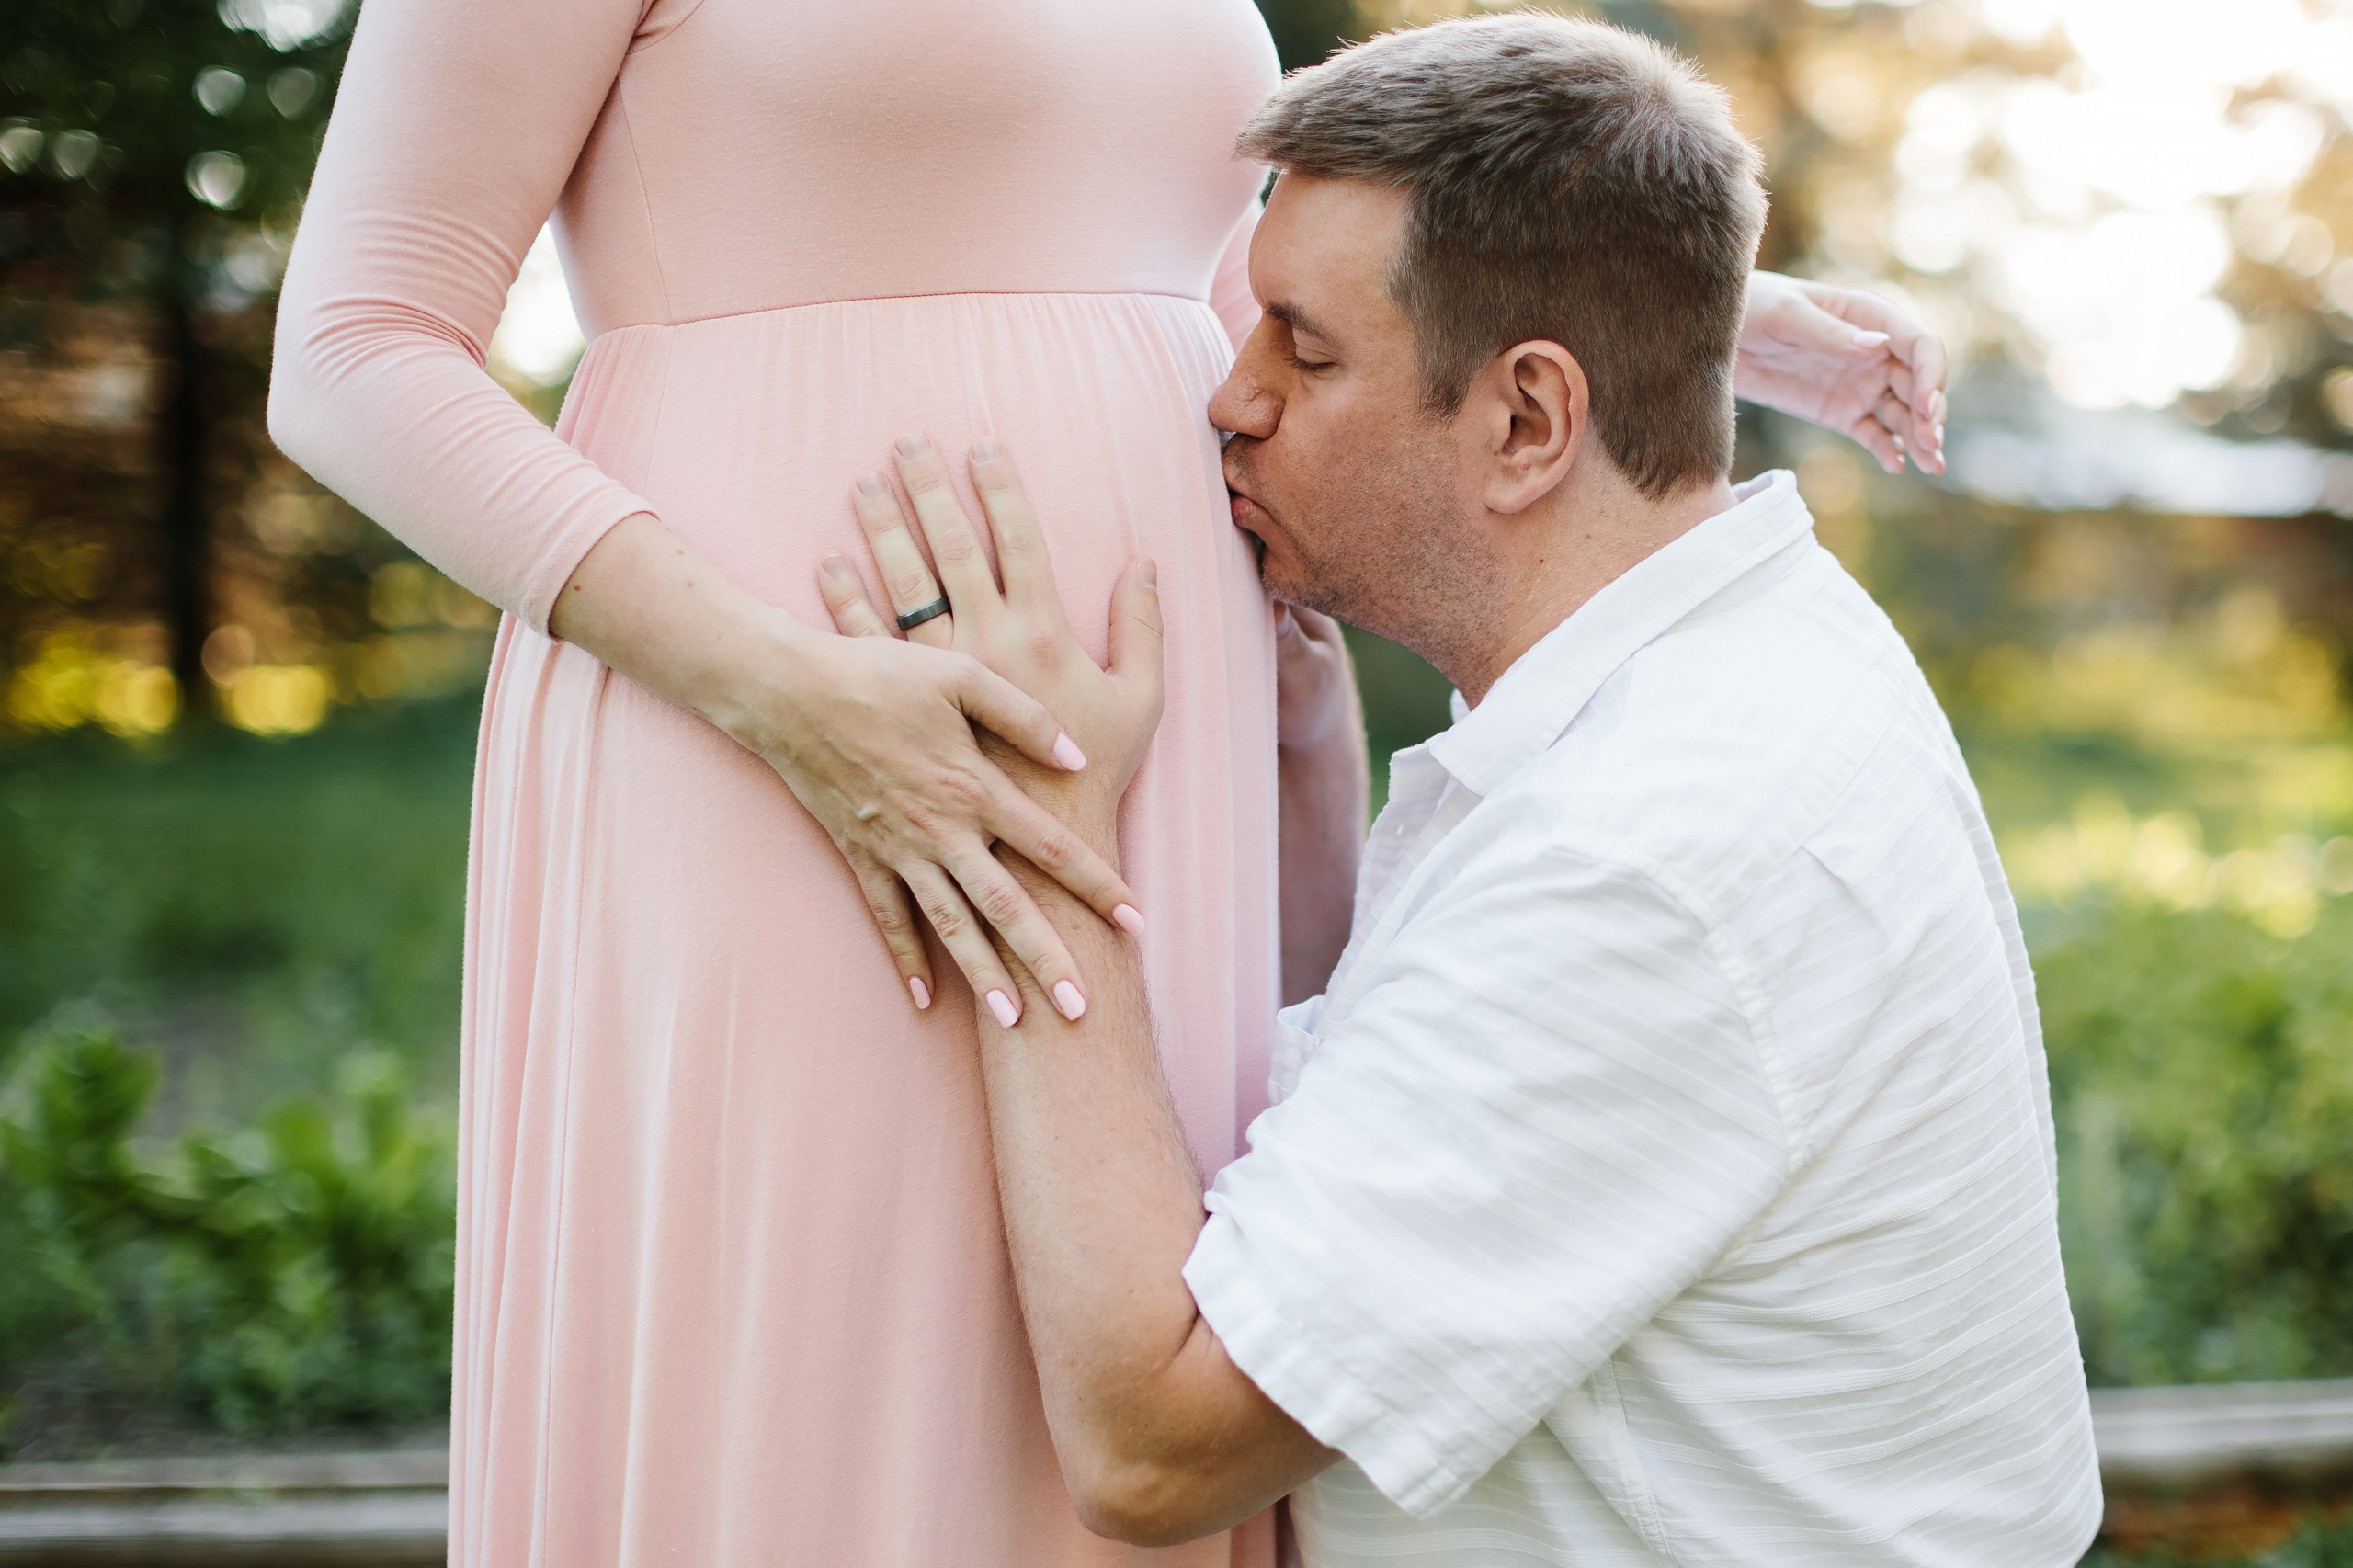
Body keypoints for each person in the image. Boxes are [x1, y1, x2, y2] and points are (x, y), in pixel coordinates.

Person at [267, 1, 1950, 1562]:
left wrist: (1682, 315)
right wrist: (790, 697)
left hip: (1154, 763)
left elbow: (1181, 259)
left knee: (1139, 1326)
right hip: (785, 725)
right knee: (836, 1347)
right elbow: (353, 345)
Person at [816, 15, 2100, 1567]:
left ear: (1527, 422)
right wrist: (1303, 746)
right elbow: (1389, 1093)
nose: (1229, 398)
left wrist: (1034, 828)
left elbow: (1154, 1445)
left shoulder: (1641, 858)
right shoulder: (1758, 647)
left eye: (1303, 348)